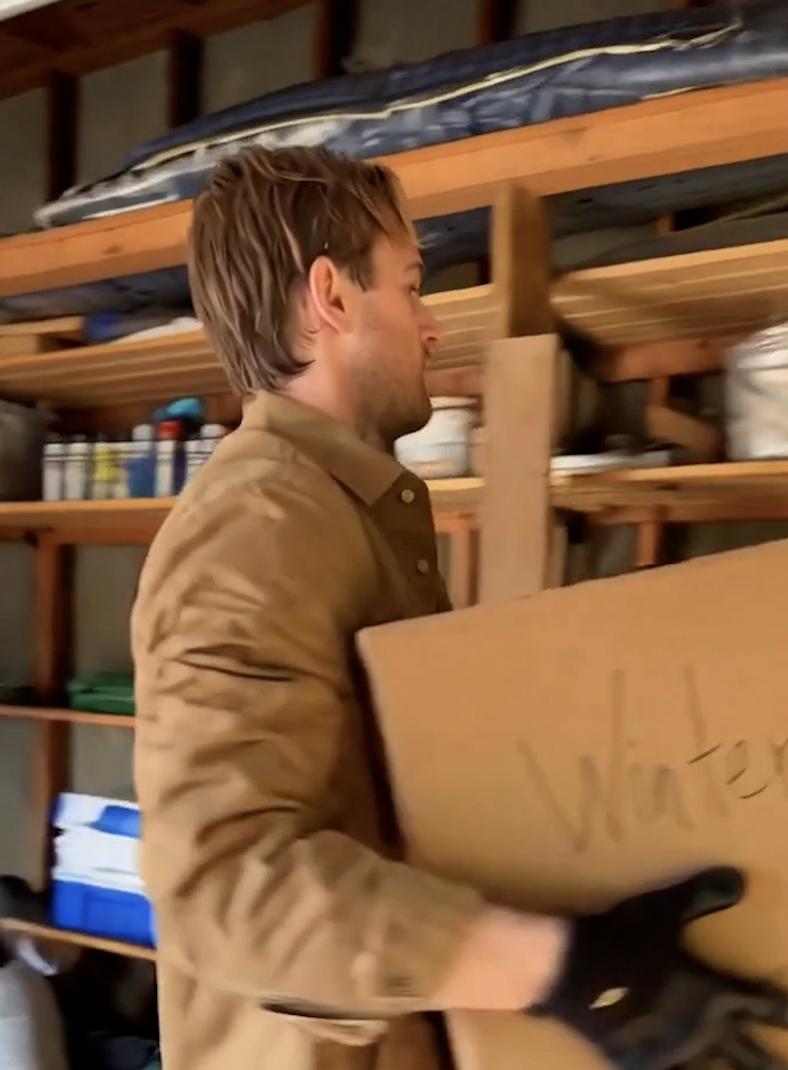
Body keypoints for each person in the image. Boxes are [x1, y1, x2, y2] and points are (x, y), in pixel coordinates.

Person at [131, 145, 788, 1070]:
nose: (433, 327)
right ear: (331, 297)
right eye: (411, 287)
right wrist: (567, 967)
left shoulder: (338, 507)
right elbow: (222, 889)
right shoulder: (258, 525)